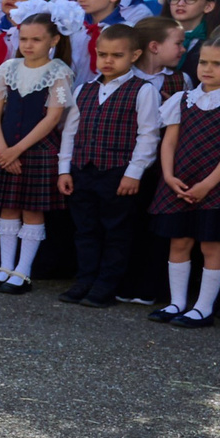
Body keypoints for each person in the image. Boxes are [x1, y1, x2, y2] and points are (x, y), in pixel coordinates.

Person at [55, 22, 165, 307]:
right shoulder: (84, 90)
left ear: (134, 55)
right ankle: (85, 279)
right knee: (85, 229)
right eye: (102, 54)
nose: (107, 60)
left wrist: (134, 173)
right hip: (83, 169)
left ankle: (106, 284)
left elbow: (148, 135)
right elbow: (70, 131)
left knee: (116, 231)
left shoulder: (143, 91)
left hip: (118, 172)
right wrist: (65, 169)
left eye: (116, 55)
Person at [0, 4, 72, 293]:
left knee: (32, 211)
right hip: (5, 150)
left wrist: (17, 150)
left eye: (36, 39)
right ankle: (4, 266)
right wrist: (2, 149)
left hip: (37, 151)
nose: (28, 45)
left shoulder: (58, 72)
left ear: (53, 40)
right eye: (24, 38)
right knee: (8, 209)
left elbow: (52, 117)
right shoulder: (8, 68)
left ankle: (23, 271)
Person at [147, 33, 220, 327]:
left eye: (218, 63)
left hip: (217, 185)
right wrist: (168, 176)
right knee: (179, 242)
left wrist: (208, 184)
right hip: (181, 180)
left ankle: (203, 307)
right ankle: (177, 302)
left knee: (211, 246)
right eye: (203, 61)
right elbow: (169, 143)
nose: (207, 68)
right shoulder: (183, 99)